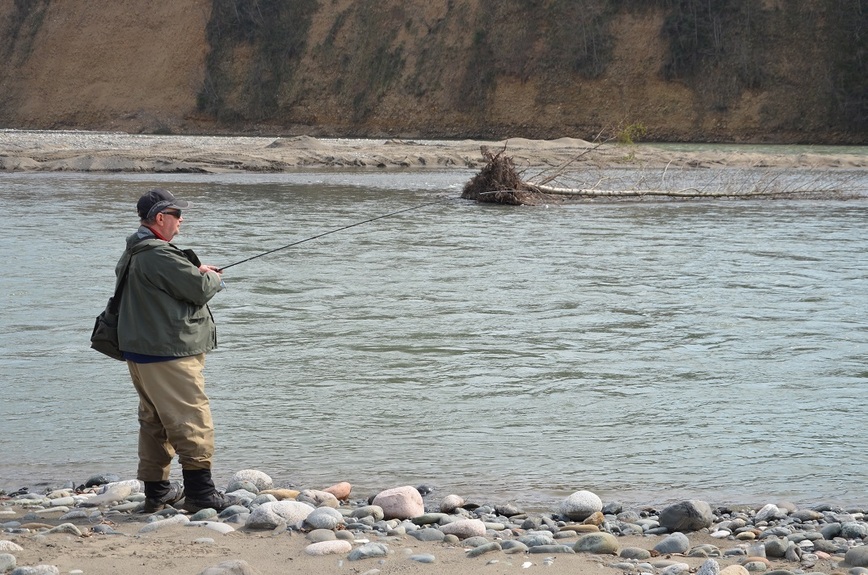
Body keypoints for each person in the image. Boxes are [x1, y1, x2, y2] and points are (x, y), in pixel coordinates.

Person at [115, 188, 229, 513]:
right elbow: (197, 289)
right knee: (191, 417)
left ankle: (158, 492)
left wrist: (194, 267)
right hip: (167, 354)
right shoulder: (158, 254)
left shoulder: (136, 249)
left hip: (141, 353)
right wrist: (212, 280)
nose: (181, 221)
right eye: (177, 215)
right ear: (161, 218)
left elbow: (165, 281)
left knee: (154, 422)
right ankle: (201, 494)